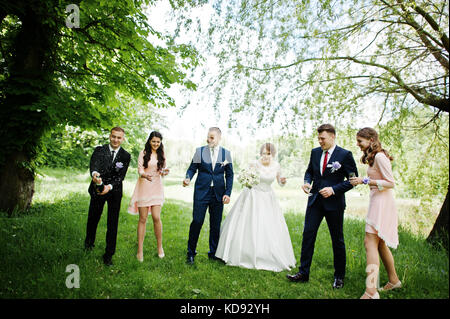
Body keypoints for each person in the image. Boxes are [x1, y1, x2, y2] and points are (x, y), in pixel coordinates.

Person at [287, 124, 358, 289]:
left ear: (332, 137)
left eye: (323, 138)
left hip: (335, 204)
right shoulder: (315, 152)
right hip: (314, 202)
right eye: (318, 138)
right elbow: (309, 171)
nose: (320, 141)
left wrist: (334, 189)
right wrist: (306, 182)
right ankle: (303, 273)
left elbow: (353, 180)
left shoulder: (345, 155)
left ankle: (339, 277)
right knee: (308, 235)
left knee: (337, 240)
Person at [215, 143, 296, 272]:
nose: (265, 156)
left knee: (268, 227)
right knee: (248, 224)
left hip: (268, 198)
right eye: (263, 153)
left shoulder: (276, 166)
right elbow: (247, 178)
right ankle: (243, 253)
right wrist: (248, 180)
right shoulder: (254, 164)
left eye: (268, 154)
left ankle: (266, 254)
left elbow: (280, 182)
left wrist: (283, 181)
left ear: (273, 154)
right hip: (252, 196)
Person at [350, 127, 401, 299]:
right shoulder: (374, 157)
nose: (358, 145)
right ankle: (394, 280)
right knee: (379, 244)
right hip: (377, 201)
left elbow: (390, 183)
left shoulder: (380, 156)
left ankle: (371, 291)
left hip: (382, 203)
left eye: (360, 141)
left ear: (371, 140)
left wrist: (365, 180)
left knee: (369, 242)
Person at [183, 127, 234, 265]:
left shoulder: (226, 154)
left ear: (219, 138)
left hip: (218, 193)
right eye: (208, 137)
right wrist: (188, 178)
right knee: (197, 221)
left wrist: (227, 193)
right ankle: (191, 253)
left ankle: (214, 253)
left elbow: (229, 175)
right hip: (201, 192)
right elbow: (192, 168)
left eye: (212, 137)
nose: (209, 139)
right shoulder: (200, 151)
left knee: (215, 224)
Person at [84, 127, 131, 266]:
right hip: (98, 189)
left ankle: (109, 254)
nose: (116, 140)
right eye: (113, 136)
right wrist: (95, 176)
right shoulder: (100, 150)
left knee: (113, 223)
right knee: (93, 218)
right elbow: (94, 166)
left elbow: (120, 177)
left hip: (114, 192)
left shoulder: (125, 155)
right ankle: (88, 244)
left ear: (123, 139)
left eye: (119, 137)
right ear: (110, 136)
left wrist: (108, 187)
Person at [128, 131, 169, 261]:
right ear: (149, 141)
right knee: (143, 219)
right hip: (144, 186)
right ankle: (140, 250)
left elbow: (161, 170)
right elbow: (140, 170)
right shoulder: (143, 153)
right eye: (153, 141)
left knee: (156, 217)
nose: (156, 144)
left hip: (156, 187)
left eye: (158, 142)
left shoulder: (162, 154)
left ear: (160, 142)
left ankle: (160, 247)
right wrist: (144, 174)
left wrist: (164, 172)